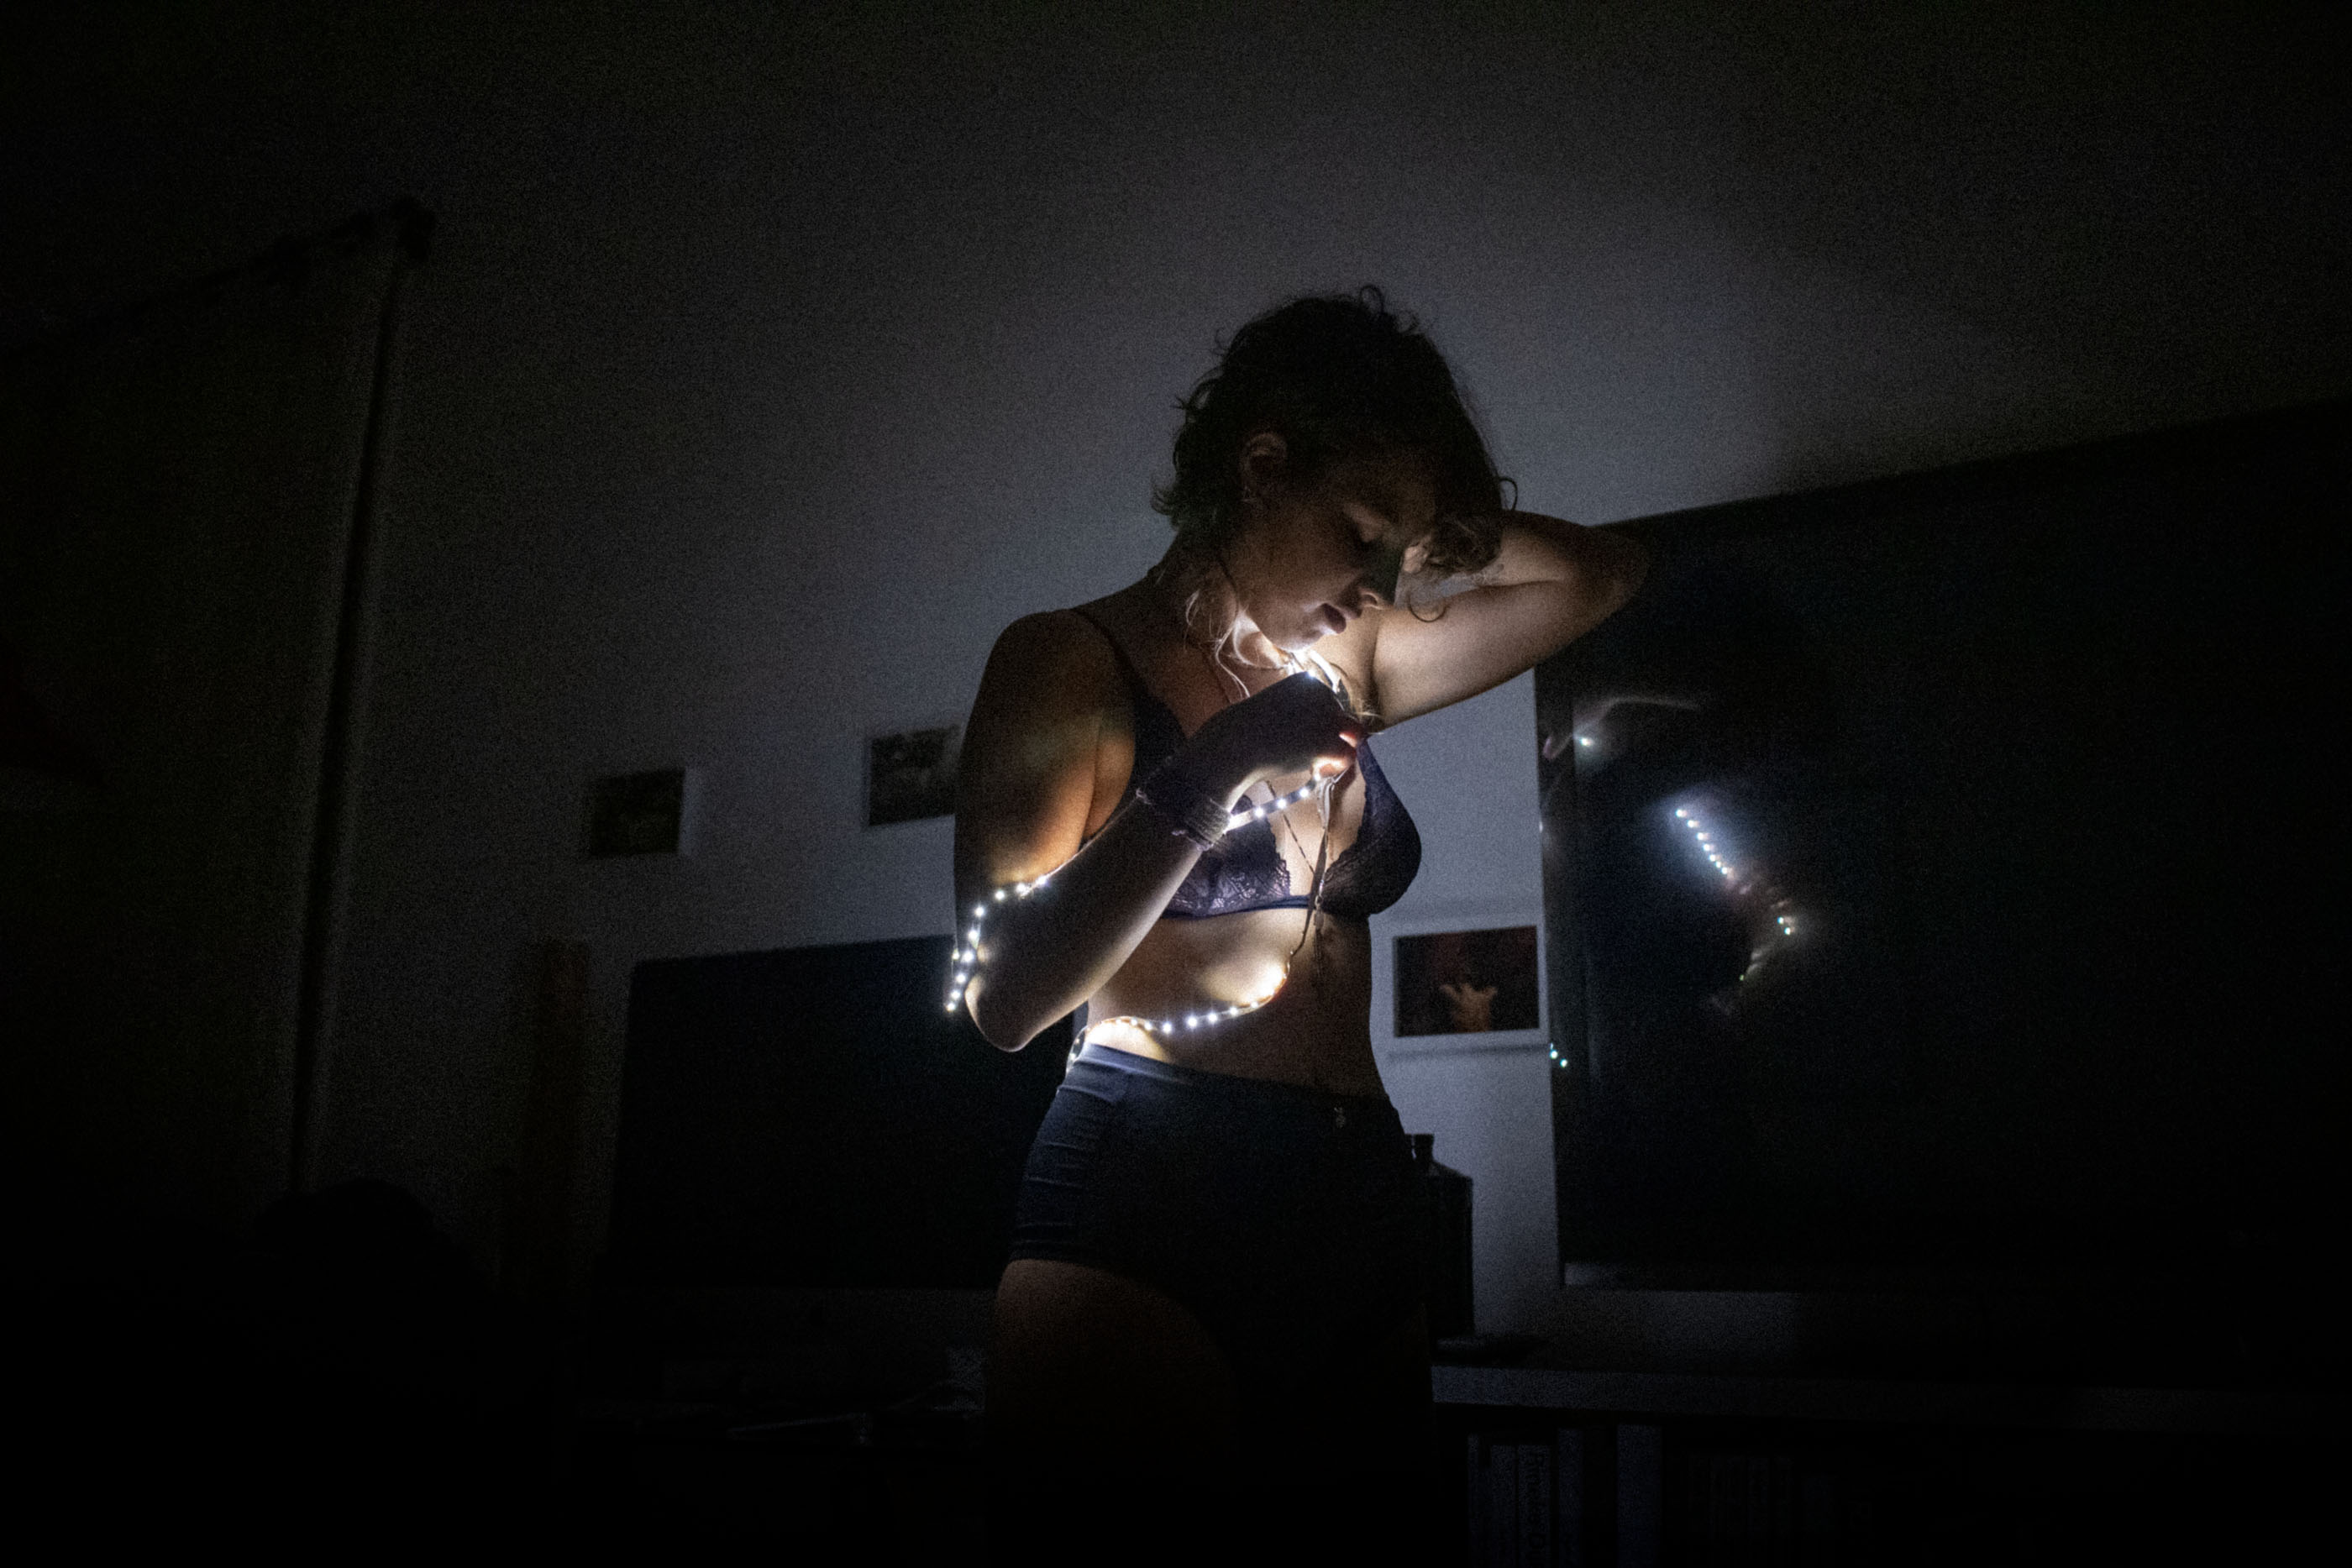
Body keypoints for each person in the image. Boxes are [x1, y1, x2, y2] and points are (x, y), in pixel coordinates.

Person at [953, 288, 1646, 1562]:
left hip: (1360, 1188)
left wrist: (1436, 532)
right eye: (1361, 531)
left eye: (1402, 554)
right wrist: (1211, 768)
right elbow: (1004, 997)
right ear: (1261, 465)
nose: (1378, 581)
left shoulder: (1352, 662)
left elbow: (1600, 576)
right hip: (1151, 1189)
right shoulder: (1068, 660)